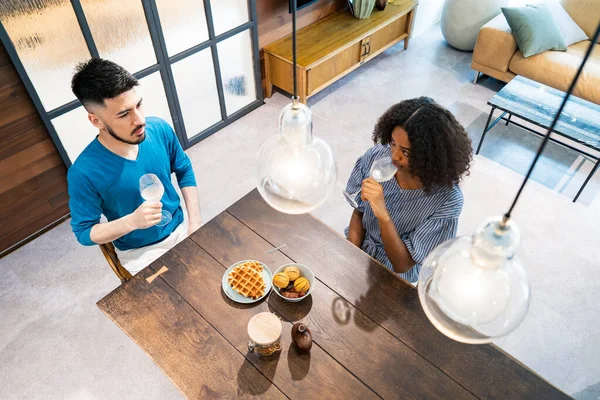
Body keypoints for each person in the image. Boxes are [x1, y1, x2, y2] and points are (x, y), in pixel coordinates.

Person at [67, 58, 201, 275]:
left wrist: (194, 223)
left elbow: (184, 169)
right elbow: (84, 232)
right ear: (96, 121)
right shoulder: (83, 173)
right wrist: (132, 221)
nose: (140, 120)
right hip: (140, 253)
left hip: (183, 226)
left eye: (138, 105)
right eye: (123, 114)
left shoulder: (159, 129)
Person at [345, 97, 472, 285]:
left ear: (430, 156)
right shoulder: (377, 157)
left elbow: (402, 264)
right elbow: (358, 213)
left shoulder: (447, 200)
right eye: (393, 143)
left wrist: (383, 215)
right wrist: (349, 257)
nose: (394, 156)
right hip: (359, 248)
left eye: (406, 152)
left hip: (396, 277)